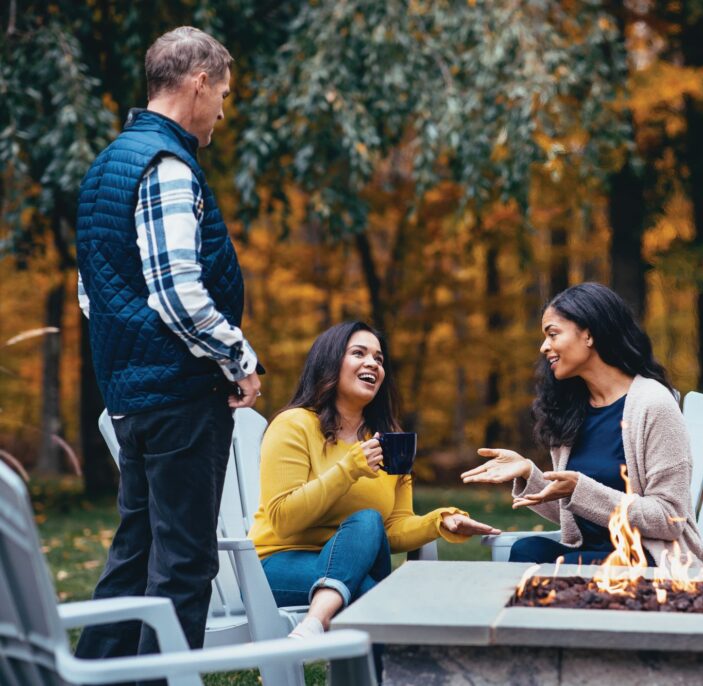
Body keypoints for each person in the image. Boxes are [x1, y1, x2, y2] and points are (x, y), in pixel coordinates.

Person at [74, 27, 262, 665]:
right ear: (198, 82)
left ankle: (91, 677)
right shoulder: (166, 165)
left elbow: (90, 293)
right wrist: (239, 361)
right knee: (183, 564)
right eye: (223, 95)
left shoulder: (108, 165)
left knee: (135, 558)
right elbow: (181, 297)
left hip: (131, 394)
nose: (222, 111)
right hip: (179, 398)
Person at [249, 321, 501, 639]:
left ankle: (315, 622)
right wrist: (349, 469)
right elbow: (284, 520)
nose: (372, 363)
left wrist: (440, 522)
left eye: (379, 359)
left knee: (369, 522)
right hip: (279, 563)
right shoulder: (294, 425)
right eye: (359, 353)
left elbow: (393, 529)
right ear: (330, 362)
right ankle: (327, 628)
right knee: (374, 597)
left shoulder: (390, 443)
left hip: (354, 561)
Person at [462, 283, 703, 568]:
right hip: (589, 554)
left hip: (649, 559)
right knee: (527, 550)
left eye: (553, 334)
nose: (544, 346)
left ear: (589, 334)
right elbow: (577, 512)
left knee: (561, 570)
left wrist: (579, 488)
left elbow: (669, 519)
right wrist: (528, 473)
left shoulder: (653, 405)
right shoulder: (572, 410)